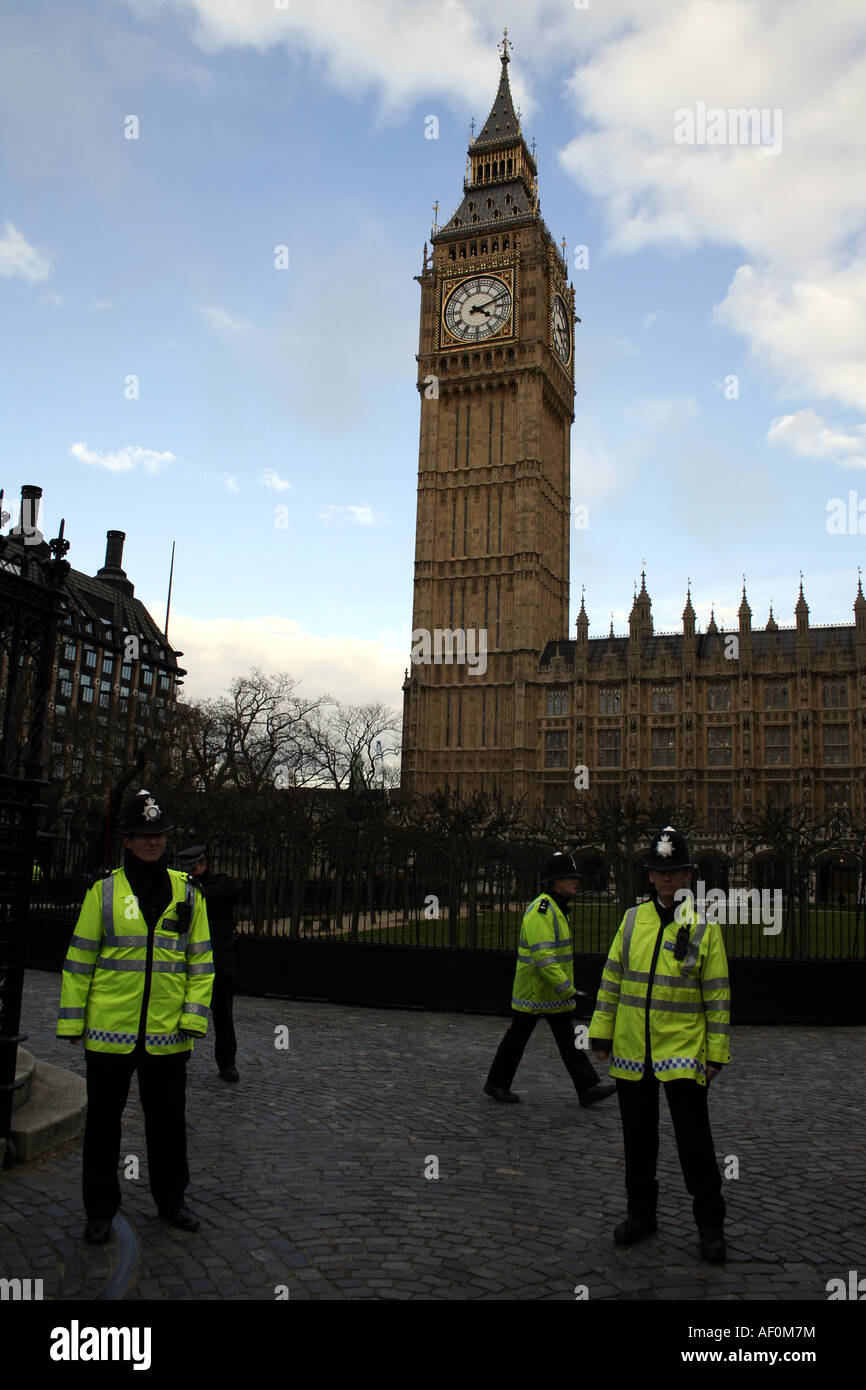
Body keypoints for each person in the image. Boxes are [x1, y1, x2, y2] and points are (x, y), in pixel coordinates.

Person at [56, 788, 214, 1244]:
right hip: (109, 1032)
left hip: (168, 1033)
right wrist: (72, 1022)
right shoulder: (103, 892)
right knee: (103, 1127)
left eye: (159, 834)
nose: (153, 842)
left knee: (168, 1126)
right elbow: (79, 959)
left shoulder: (188, 893)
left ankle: (172, 1200)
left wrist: (193, 1018)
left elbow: (199, 964)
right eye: (144, 835)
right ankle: (100, 1209)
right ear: (126, 840)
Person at [589, 825, 731, 1263]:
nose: (666, 879)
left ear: (688, 875)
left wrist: (716, 1055)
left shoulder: (704, 927)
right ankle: (641, 1215)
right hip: (633, 1051)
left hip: (683, 1053)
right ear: (649, 876)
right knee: (638, 1141)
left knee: (695, 1144)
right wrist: (601, 1030)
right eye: (659, 872)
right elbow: (613, 978)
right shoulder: (633, 921)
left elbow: (717, 994)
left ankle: (709, 1226)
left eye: (674, 872)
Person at [484, 851, 616, 1108]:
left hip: (549, 993)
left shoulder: (554, 908)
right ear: (557, 881)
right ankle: (497, 1083)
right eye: (571, 878)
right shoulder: (542, 910)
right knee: (519, 1039)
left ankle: (587, 1086)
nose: (576, 881)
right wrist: (567, 988)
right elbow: (544, 956)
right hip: (536, 992)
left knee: (564, 1040)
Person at [176, 844, 240, 1082]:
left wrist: (198, 888)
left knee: (223, 1018)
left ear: (204, 864)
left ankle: (227, 1062)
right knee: (183, 1015)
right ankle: (178, 1057)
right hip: (190, 963)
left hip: (218, 965)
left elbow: (228, 892)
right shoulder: (183, 889)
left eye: (196, 868)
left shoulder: (218, 884)